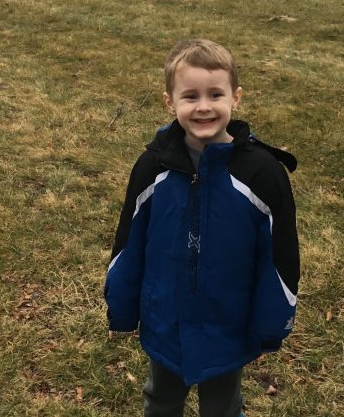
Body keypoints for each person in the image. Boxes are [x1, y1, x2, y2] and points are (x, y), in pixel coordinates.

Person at [105, 39, 300, 417]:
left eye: (215, 94)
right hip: (165, 317)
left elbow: (280, 256)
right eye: (190, 96)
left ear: (236, 97)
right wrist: (122, 307)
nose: (204, 107)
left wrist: (270, 324)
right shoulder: (152, 167)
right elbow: (129, 242)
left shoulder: (262, 174)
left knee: (222, 407)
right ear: (170, 101)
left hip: (228, 321)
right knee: (160, 399)